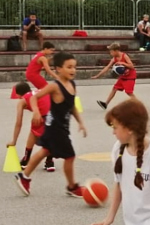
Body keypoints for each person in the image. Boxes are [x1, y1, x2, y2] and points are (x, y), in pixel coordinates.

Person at [15, 52, 87, 197]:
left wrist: (81, 122)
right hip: (55, 128)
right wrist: (35, 111)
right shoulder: (55, 86)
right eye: (69, 67)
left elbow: (71, 106)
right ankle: (72, 186)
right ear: (58, 69)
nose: (73, 70)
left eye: (74, 67)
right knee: (70, 156)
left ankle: (24, 176)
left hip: (60, 126)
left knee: (45, 151)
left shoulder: (72, 84)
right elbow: (34, 98)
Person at [8, 82, 54, 172]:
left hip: (44, 116)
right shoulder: (37, 92)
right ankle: (49, 161)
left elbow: (18, 123)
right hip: (55, 114)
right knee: (52, 136)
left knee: (33, 132)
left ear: (18, 95)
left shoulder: (22, 100)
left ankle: (26, 160)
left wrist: (14, 141)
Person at [93, 42, 137, 109]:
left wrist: (123, 63)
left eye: (111, 52)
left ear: (116, 51)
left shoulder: (124, 56)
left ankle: (139, 104)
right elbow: (107, 67)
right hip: (123, 76)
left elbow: (132, 66)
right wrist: (98, 76)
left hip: (130, 76)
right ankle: (106, 104)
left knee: (129, 92)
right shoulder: (114, 59)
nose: (110, 53)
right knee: (114, 88)